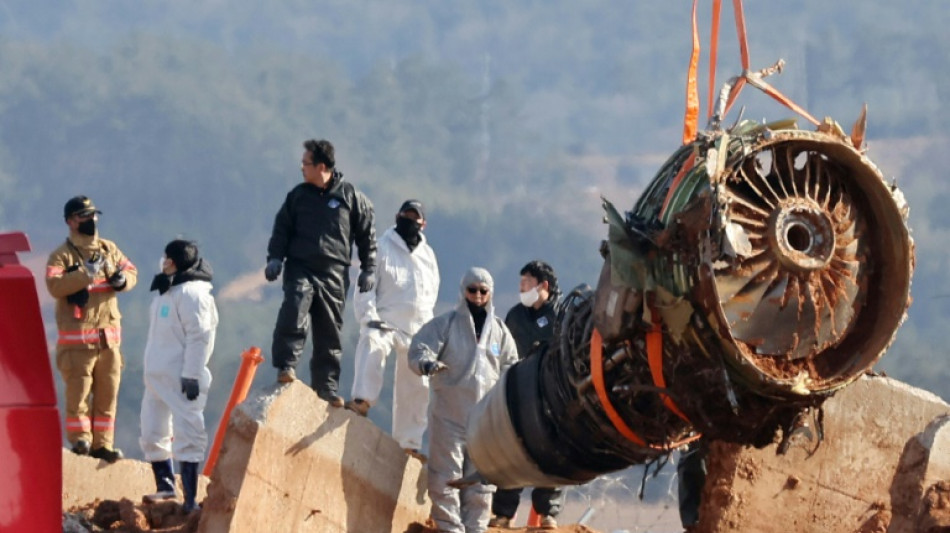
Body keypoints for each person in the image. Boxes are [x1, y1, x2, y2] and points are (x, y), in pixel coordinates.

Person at [265, 139, 376, 407]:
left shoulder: (350, 197)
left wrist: (369, 267)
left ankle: (326, 388)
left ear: (321, 166)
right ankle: (286, 367)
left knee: (329, 331)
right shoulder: (298, 197)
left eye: (306, 164)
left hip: (334, 272)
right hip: (300, 266)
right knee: (294, 309)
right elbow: (281, 230)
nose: (302, 168)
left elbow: (366, 235)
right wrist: (275, 259)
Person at [409, 267, 520, 533]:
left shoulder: (500, 332)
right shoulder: (445, 324)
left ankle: (476, 529)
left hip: (485, 423)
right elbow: (420, 347)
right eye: (473, 290)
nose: (478, 296)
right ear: (463, 291)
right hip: (450, 417)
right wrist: (426, 364)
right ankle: (450, 529)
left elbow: (511, 366)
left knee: (481, 484)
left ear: (490, 293)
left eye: (484, 291)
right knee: (445, 478)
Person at [45, 195, 138, 463]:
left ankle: (103, 445)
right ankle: (80, 441)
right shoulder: (61, 255)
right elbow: (55, 286)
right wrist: (84, 274)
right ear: (71, 221)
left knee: (107, 397)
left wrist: (122, 281)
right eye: (85, 216)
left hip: (109, 341)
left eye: (93, 215)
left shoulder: (109, 249)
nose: (91, 220)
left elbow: (132, 272)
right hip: (78, 344)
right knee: (79, 396)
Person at [347, 200, 439, 459]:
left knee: (417, 381)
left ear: (423, 224)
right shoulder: (381, 247)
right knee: (372, 343)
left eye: (415, 216)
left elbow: (431, 293)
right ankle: (362, 400)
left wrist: (428, 332)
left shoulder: (428, 256)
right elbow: (366, 286)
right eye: (406, 215)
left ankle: (409, 442)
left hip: (417, 329)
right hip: (385, 321)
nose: (409, 220)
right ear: (398, 216)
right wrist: (368, 316)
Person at [139, 240, 219, 513]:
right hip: (158, 377)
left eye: (168, 258)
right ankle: (165, 486)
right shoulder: (168, 290)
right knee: (152, 431)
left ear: (174, 261)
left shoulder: (192, 294)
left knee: (188, 433)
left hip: (181, 377)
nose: (163, 261)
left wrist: (192, 375)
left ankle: (190, 499)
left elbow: (200, 336)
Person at [489, 260, 563, 530]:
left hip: (552, 396)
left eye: (526, 283)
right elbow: (499, 348)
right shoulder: (515, 315)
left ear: (544, 286)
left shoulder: (562, 315)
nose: (521, 288)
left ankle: (547, 515)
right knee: (513, 453)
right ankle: (503, 514)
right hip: (518, 393)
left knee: (551, 454)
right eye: (521, 282)